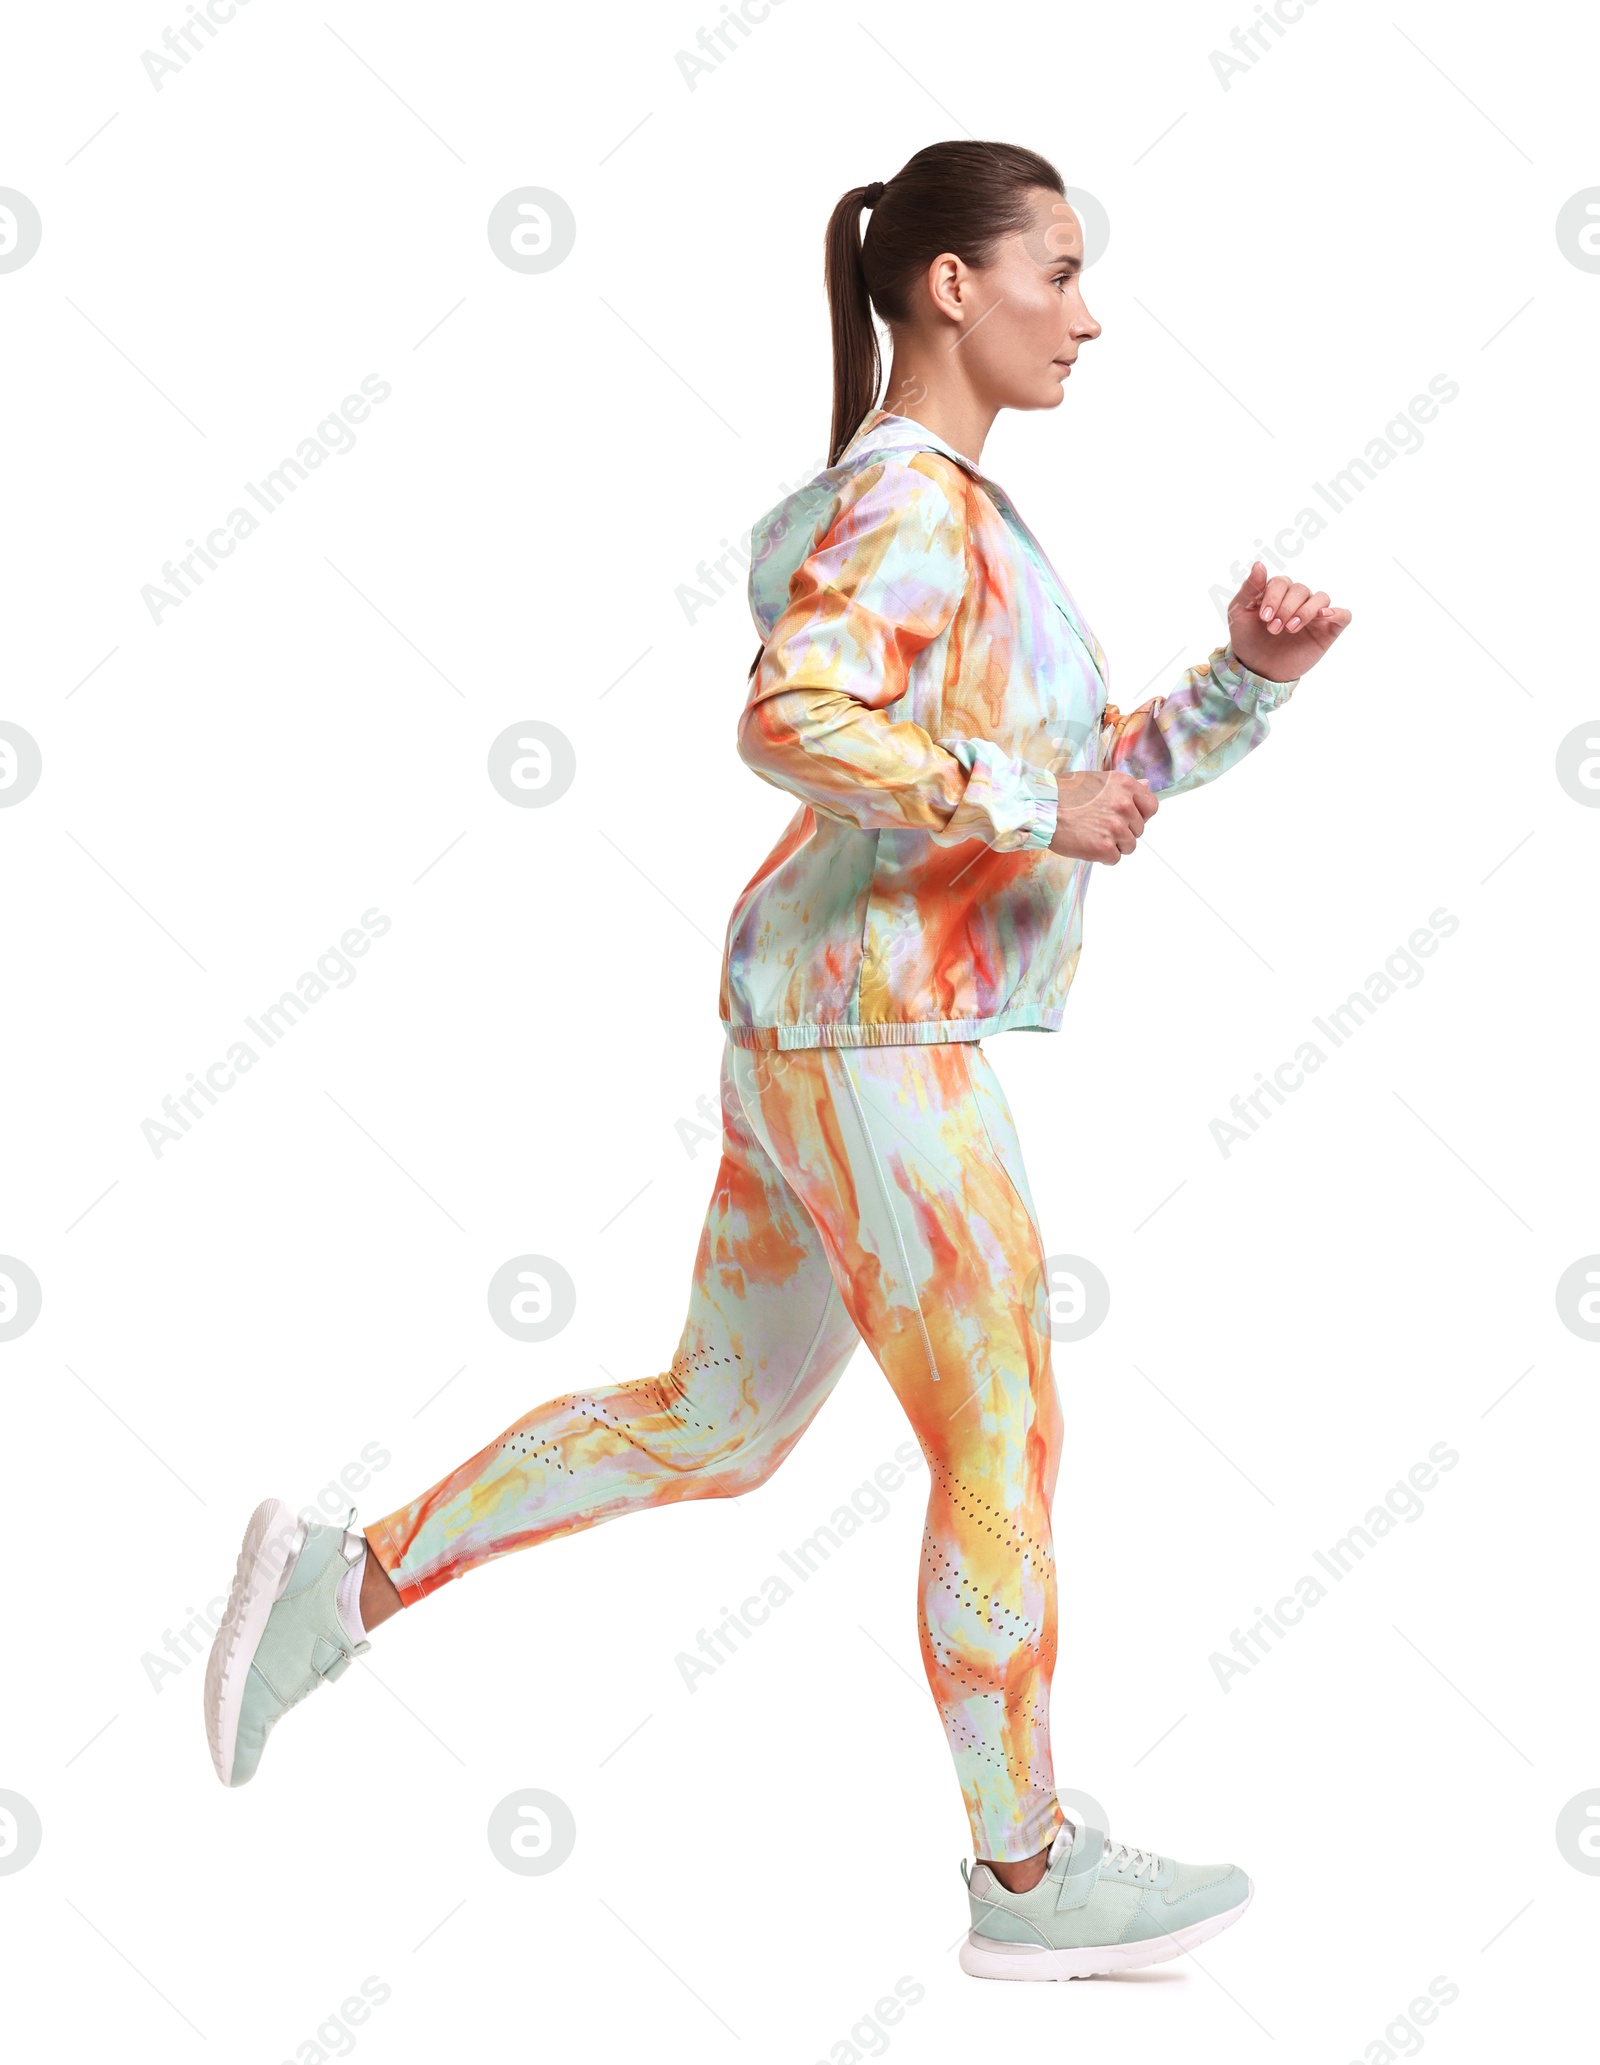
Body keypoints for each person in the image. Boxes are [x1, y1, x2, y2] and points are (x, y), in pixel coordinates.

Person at [204, 138, 1349, 1982]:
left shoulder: (954, 512)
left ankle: (342, 1579)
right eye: (1056, 270)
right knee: (1004, 1427)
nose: (1089, 310)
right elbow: (792, 717)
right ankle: (1027, 1867)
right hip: (874, 1036)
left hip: (827, 1025)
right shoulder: (911, 500)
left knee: (715, 1422)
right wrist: (1019, 792)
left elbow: (1081, 794)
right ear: (953, 288)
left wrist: (1240, 683)